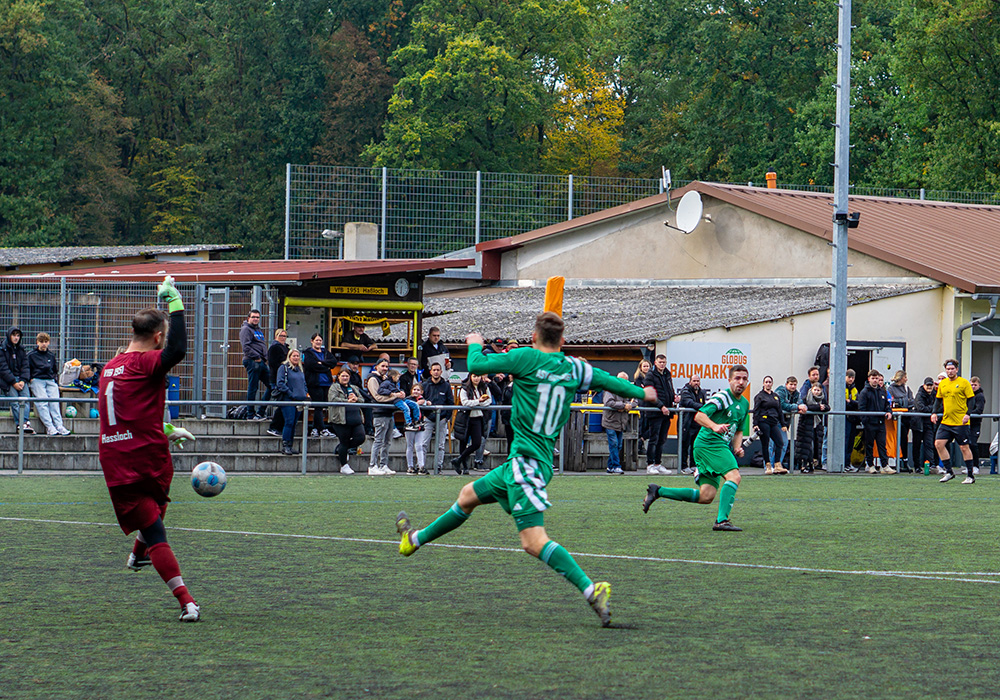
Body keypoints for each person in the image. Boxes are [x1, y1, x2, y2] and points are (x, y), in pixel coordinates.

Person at [395, 313, 655, 627]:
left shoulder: (526, 358)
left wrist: (474, 342)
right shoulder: (575, 368)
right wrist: (642, 393)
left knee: (533, 541)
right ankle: (414, 540)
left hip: (527, 465)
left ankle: (591, 590)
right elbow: (609, 380)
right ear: (562, 341)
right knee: (467, 496)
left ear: (533, 338)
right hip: (524, 462)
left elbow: (476, 365)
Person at [97, 278, 200, 622]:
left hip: (116, 459)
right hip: (144, 456)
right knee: (156, 529)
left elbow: (126, 410)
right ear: (157, 337)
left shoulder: (109, 367)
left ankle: (139, 552)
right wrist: (176, 303)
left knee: (154, 509)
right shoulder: (145, 362)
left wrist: (166, 429)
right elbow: (178, 351)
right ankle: (186, 601)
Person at [642, 364, 751, 532]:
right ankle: (721, 521)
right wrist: (714, 426)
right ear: (729, 380)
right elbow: (700, 416)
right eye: (737, 378)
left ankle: (658, 491)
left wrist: (737, 448)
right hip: (710, 444)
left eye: (744, 379)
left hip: (713, 446)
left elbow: (738, 430)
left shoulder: (744, 403)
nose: (741, 382)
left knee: (706, 496)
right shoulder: (722, 397)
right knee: (734, 476)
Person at [931, 359, 977, 484]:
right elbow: (938, 400)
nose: (950, 371)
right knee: (938, 444)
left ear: (957, 370)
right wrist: (934, 413)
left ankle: (970, 475)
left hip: (960, 422)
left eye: (952, 369)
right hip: (946, 421)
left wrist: (967, 414)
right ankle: (949, 472)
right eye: (948, 369)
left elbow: (971, 400)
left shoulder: (963, 383)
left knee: (964, 447)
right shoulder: (943, 384)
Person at [28, 332, 70, 436]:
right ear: (37, 342)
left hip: (50, 380)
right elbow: (26, 368)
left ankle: (59, 426)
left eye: (46, 341)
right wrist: (30, 379)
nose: (44, 344)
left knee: (54, 402)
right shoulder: (31, 355)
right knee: (42, 403)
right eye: (41, 341)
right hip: (37, 380)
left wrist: (54, 379)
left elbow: (54, 369)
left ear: (49, 343)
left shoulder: (51, 355)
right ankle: (50, 427)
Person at [451, 373, 492, 474]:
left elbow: (489, 401)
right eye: (474, 376)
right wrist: (479, 401)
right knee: (463, 442)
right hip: (465, 418)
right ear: (470, 377)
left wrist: (477, 403)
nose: (476, 378)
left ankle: (458, 460)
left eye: (478, 376)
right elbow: (465, 402)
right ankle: (464, 467)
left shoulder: (484, 387)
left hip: (478, 417)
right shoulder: (464, 388)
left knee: (477, 443)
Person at [419, 362, 455, 472]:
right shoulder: (425, 385)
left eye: (438, 370)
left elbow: (451, 403)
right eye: (434, 370)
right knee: (423, 444)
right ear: (430, 372)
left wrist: (446, 418)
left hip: (442, 419)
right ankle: (421, 466)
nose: (436, 372)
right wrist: (423, 416)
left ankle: (438, 466)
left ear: (441, 371)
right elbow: (420, 400)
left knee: (440, 445)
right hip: (428, 418)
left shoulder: (446, 386)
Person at [643, 354, 676, 475]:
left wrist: (674, 398)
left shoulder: (667, 374)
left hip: (666, 412)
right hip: (655, 412)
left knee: (662, 439)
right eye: (660, 362)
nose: (662, 364)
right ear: (655, 363)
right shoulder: (650, 375)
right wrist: (661, 406)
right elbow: (649, 393)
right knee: (654, 439)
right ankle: (650, 464)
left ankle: (657, 464)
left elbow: (669, 389)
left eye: (664, 362)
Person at [857, 371, 893, 474]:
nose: (875, 380)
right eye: (873, 378)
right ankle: (870, 465)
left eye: (877, 378)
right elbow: (862, 408)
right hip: (870, 423)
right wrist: (866, 421)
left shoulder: (882, 391)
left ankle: (885, 465)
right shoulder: (864, 392)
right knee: (869, 445)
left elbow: (886, 405)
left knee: (882, 445)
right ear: (869, 379)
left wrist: (889, 412)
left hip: (880, 423)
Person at [328, 368, 363, 474]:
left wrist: (356, 399)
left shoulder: (354, 388)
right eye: (343, 376)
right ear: (338, 377)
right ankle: (344, 465)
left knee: (361, 438)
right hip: (340, 419)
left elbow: (362, 399)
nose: (345, 378)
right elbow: (332, 399)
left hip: (356, 419)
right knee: (344, 441)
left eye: (347, 376)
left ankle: (340, 449)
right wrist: (347, 401)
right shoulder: (334, 387)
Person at [365, 358, 397, 475]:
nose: (385, 368)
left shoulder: (385, 379)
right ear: (376, 366)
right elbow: (377, 397)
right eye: (383, 366)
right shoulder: (373, 379)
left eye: (386, 366)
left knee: (387, 441)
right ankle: (372, 465)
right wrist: (394, 396)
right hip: (379, 413)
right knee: (378, 441)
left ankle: (383, 465)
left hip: (389, 412)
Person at [302, 333, 337, 438]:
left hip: (326, 383)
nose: (318, 342)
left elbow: (333, 362)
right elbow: (311, 365)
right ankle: (321, 429)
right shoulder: (308, 353)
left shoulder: (325, 352)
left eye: (320, 340)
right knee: (318, 406)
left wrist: (321, 363)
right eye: (316, 340)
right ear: (312, 341)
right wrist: (326, 367)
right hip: (314, 383)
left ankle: (315, 428)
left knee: (322, 406)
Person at [0, 327, 34, 434]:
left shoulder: (21, 350)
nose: (16, 338)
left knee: (25, 399)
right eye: (14, 335)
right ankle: (22, 423)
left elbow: (25, 366)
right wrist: (13, 382)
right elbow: (3, 368)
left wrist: (23, 380)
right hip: (7, 381)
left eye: (18, 335)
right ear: (9, 336)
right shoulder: (2, 349)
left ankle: (24, 423)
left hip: (20, 379)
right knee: (14, 401)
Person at [602, 372, 636, 475]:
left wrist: (629, 405)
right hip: (610, 421)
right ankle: (616, 466)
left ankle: (610, 467)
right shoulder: (610, 389)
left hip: (621, 422)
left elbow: (635, 401)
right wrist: (623, 406)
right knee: (614, 444)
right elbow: (608, 402)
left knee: (618, 446)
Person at [275, 349, 308, 456]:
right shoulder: (283, 368)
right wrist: (290, 393)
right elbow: (280, 383)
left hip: (299, 399)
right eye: (294, 356)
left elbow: (303, 383)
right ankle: (286, 445)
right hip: (288, 399)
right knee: (289, 421)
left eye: (297, 356)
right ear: (289, 357)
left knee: (294, 423)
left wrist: (305, 392)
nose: (296, 358)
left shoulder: (300, 369)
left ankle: (290, 444)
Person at [752, 376, 787, 475]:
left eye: (770, 382)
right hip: (764, 421)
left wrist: (783, 424)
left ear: (772, 383)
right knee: (765, 444)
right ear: (763, 383)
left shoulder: (775, 396)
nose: (768, 384)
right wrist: (755, 424)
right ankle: (768, 465)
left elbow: (779, 411)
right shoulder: (760, 396)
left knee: (780, 443)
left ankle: (777, 465)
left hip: (774, 422)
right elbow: (756, 411)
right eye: (766, 382)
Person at [240, 309, 270, 420]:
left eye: (257, 317)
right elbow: (246, 347)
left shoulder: (258, 330)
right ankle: (250, 414)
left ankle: (260, 413)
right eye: (253, 317)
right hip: (253, 361)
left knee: (272, 385)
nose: (255, 319)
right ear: (249, 318)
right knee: (253, 388)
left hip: (261, 361)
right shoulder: (246, 329)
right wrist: (257, 357)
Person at [796, 383, 831, 473]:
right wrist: (818, 407)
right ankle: (804, 465)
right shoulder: (806, 397)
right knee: (806, 446)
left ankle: (812, 464)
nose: (816, 392)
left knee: (815, 445)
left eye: (818, 390)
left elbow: (828, 407)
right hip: (806, 425)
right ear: (811, 390)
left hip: (817, 425)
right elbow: (806, 407)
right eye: (815, 390)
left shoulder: (822, 399)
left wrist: (824, 407)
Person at [678, 375, 707, 475]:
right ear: (690, 382)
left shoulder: (701, 392)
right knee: (684, 445)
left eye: (698, 381)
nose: (696, 383)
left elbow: (702, 403)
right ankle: (683, 466)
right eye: (694, 381)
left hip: (697, 423)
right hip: (686, 422)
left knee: (695, 445)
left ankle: (693, 465)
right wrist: (704, 407)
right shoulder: (685, 391)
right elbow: (690, 403)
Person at [887, 370, 915, 472]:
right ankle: (894, 461)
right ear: (901, 378)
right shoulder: (891, 388)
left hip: (906, 417)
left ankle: (905, 461)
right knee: (895, 438)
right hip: (895, 418)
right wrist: (903, 402)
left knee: (904, 438)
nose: (906, 379)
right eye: (905, 377)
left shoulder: (907, 388)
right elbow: (892, 402)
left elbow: (912, 401)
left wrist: (903, 402)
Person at [265, 329, 289, 437]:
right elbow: (273, 364)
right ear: (276, 336)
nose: (283, 338)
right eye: (281, 336)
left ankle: (261, 412)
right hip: (277, 378)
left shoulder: (285, 347)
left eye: (284, 336)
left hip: (283, 379)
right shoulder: (275, 348)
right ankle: (274, 426)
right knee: (280, 403)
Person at [404, 384, 432, 475]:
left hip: (420, 425)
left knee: (420, 446)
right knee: (410, 446)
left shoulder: (423, 400)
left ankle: (421, 466)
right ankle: (410, 467)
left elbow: (428, 411)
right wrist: (417, 403)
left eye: (418, 390)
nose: (416, 391)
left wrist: (426, 403)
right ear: (411, 391)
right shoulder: (407, 399)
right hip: (410, 425)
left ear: (422, 392)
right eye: (414, 389)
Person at [913, 376, 937, 473]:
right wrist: (933, 408)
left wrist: (932, 408)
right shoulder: (920, 395)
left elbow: (939, 406)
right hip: (918, 423)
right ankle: (917, 466)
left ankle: (931, 465)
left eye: (931, 385)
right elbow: (921, 408)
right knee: (917, 445)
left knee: (929, 444)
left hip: (928, 423)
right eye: (927, 385)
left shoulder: (934, 394)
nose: (929, 387)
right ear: (924, 385)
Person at [843, 370, 861, 472]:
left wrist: (851, 402)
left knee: (850, 442)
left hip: (853, 418)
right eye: (849, 377)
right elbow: (842, 403)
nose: (851, 379)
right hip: (845, 418)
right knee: (845, 441)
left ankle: (847, 463)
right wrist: (852, 403)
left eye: (852, 377)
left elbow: (858, 403)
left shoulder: (855, 389)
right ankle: (844, 463)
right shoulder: (841, 388)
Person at [633, 359, 651, 455]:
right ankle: (640, 445)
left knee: (649, 426)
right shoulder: (638, 378)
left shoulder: (652, 377)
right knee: (642, 425)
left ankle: (641, 441)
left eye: (647, 366)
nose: (646, 368)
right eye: (644, 366)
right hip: (642, 404)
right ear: (640, 367)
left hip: (650, 404)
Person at [969, 375, 986, 474]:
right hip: (967, 423)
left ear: (979, 385)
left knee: (973, 444)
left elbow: (979, 410)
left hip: (975, 423)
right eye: (971, 385)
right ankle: (969, 466)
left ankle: (975, 466)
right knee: (967, 445)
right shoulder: (969, 395)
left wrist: (967, 414)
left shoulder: (980, 396)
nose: (973, 387)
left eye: (975, 385)